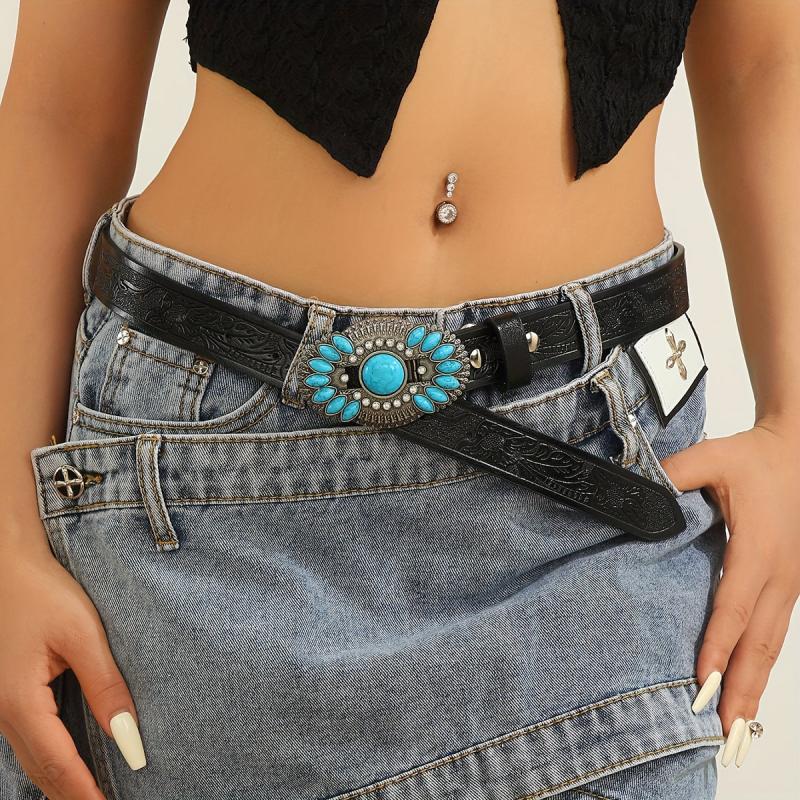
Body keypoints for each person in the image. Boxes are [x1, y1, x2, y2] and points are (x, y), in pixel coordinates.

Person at [0, 2, 797, 798]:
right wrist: (5, 534)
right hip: (206, 485)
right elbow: (61, 109)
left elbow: (765, 68)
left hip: (594, 483)